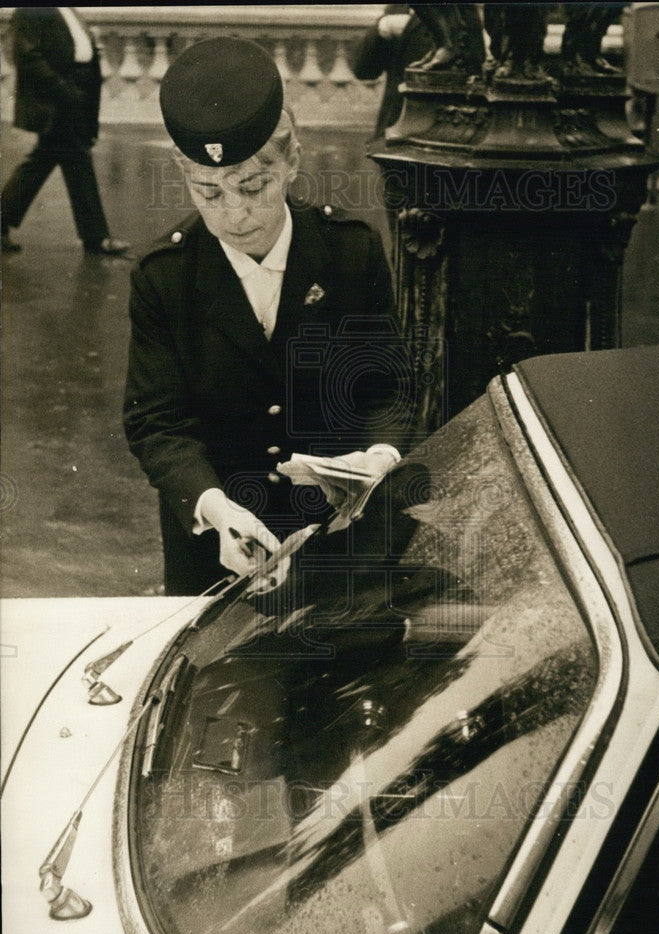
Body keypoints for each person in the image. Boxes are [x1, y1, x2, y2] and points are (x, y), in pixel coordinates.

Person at [124, 38, 414, 596]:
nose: (234, 213)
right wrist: (213, 508)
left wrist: (377, 461)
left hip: (340, 539)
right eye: (207, 191)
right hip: (216, 551)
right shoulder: (164, 276)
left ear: (292, 160)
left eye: (252, 186)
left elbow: (387, 388)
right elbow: (157, 424)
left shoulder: (350, 252)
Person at [1, 7, 129, 256]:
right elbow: (27, 57)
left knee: (46, 160)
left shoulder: (68, 9)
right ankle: (97, 238)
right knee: (76, 158)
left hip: (77, 92)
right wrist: (64, 90)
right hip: (58, 97)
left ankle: (95, 237)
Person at [350, 5, 431, 138]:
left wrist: (411, 30)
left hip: (438, 128)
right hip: (393, 126)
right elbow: (364, 71)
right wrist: (382, 28)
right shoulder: (400, 7)